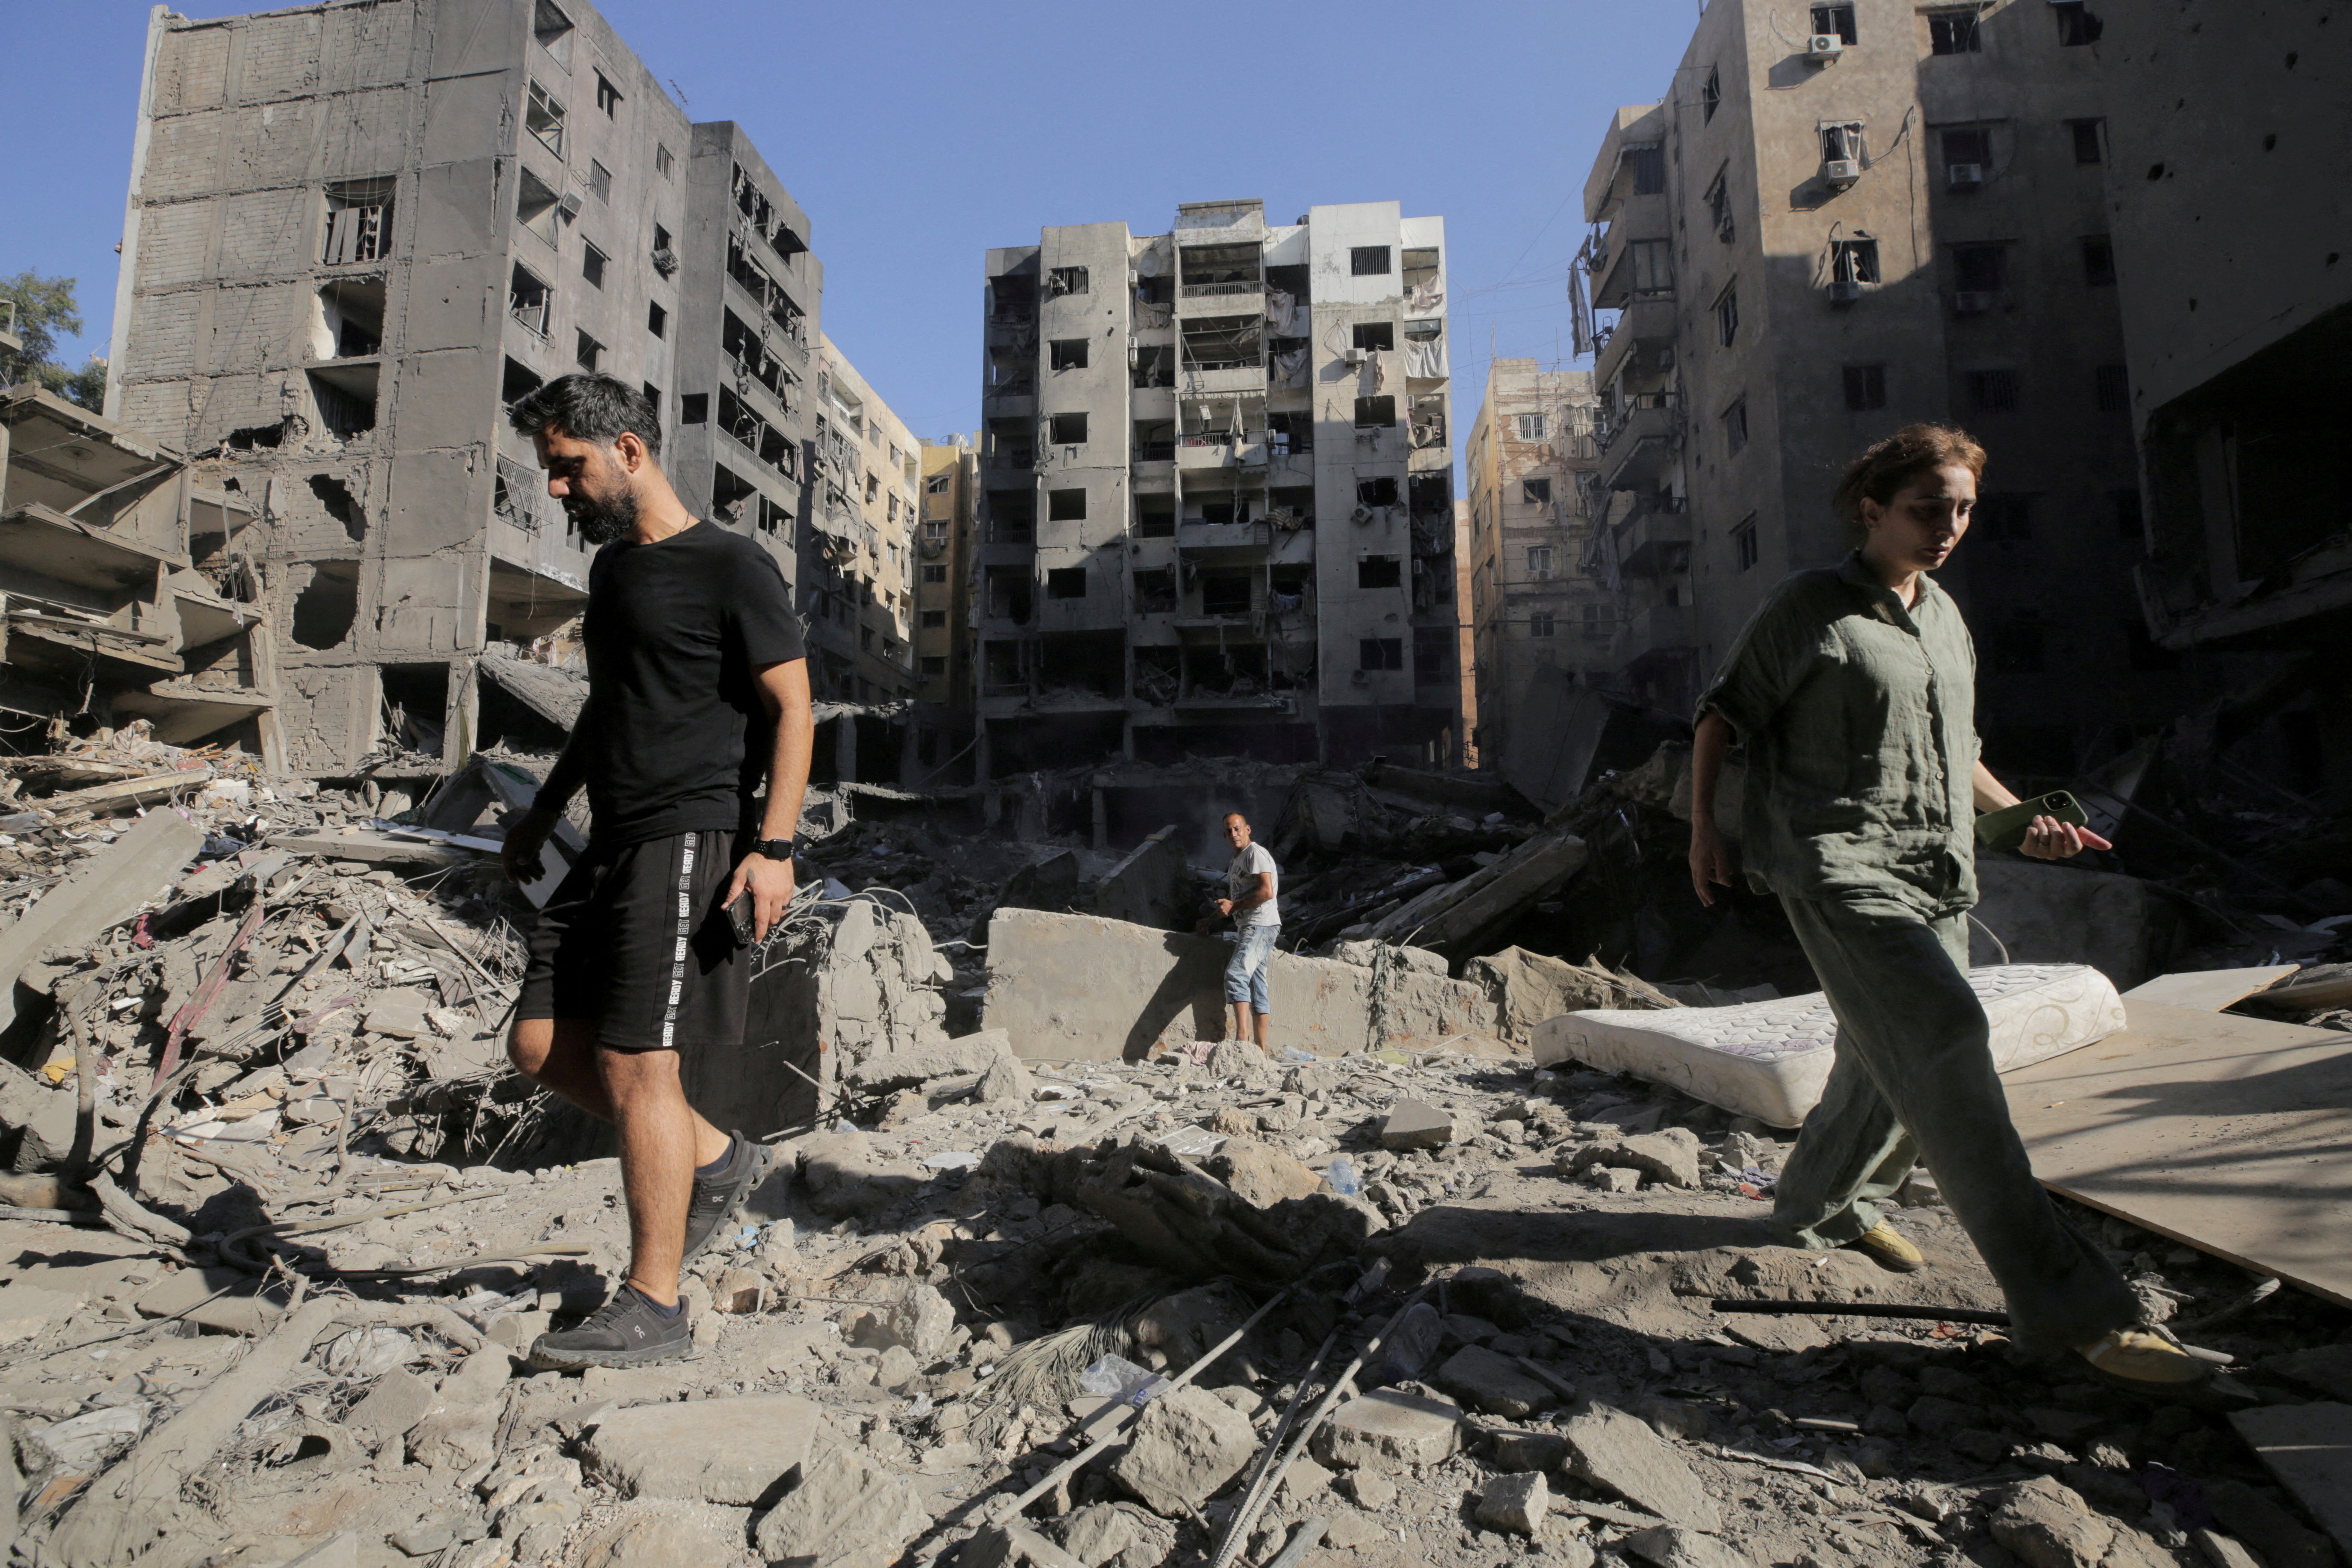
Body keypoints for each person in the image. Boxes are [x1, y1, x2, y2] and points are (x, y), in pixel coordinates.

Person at [1686, 424, 2209, 1394]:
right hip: (1833, 866)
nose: (1948, 526)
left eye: (1963, 509)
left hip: (1932, 868)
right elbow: (1723, 713)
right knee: (1946, 1042)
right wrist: (1702, 830)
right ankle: (2068, 1308)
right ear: (1869, 507)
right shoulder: (1810, 607)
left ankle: (1818, 1200)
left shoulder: (1942, 618)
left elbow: (1954, 751)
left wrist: (2022, 821)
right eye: (1927, 507)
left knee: (1877, 1053)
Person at [497, 375, 815, 1371]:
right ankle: (718, 1156)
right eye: (549, 470)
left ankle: (654, 1301)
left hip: (689, 834)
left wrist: (772, 847)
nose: (556, 490)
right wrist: (548, 807)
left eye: (568, 467)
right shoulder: (615, 580)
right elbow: (606, 708)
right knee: (541, 1042)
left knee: (640, 1065)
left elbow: (793, 709)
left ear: (628, 450)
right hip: (610, 836)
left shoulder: (731, 564)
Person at [1214, 812, 1281, 1055]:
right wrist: (1209, 921)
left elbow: (1266, 892)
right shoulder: (1237, 861)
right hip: (1252, 925)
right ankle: (1260, 1052)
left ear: (1248, 829)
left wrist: (1234, 907)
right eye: (1229, 831)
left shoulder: (1255, 854)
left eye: (1237, 829)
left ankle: (1242, 1042)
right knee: (1256, 985)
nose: (1234, 834)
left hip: (1260, 924)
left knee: (1236, 974)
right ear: (1225, 835)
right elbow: (1234, 901)